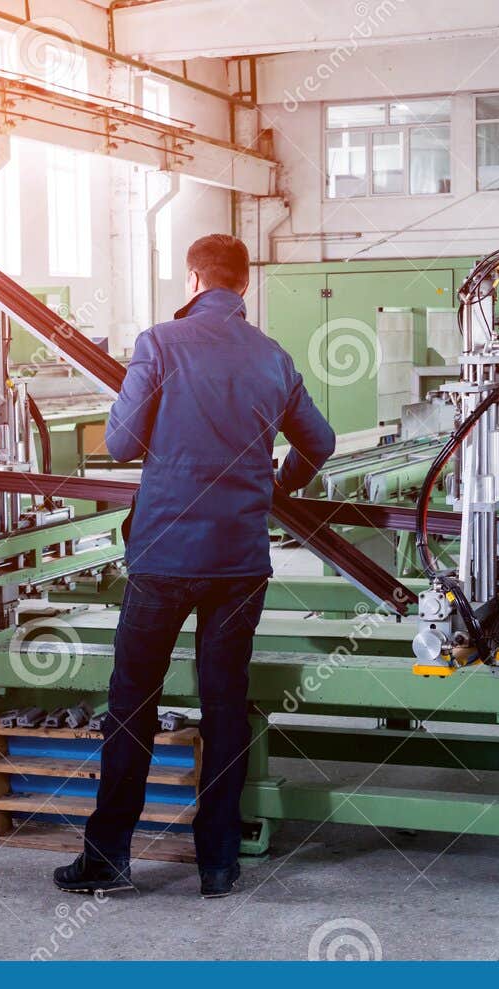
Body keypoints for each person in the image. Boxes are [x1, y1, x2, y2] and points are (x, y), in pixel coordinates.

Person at [53, 234, 335, 899]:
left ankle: (109, 857)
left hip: (164, 553)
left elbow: (121, 444)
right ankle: (217, 862)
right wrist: (277, 487)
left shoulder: (158, 343)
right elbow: (317, 444)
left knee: (132, 703)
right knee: (224, 702)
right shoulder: (273, 357)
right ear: (244, 284)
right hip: (238, 559)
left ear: (193, 279)